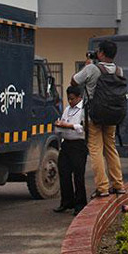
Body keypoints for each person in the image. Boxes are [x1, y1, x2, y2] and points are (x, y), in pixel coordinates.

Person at [71, 40, 125, 198]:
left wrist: (86, 66)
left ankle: (102, 187)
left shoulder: (92, 69)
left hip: (94, 116)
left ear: (101, 53)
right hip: (113, 115)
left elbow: (74, 81)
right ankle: (118, 184)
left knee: (96, 150)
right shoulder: (119, 71)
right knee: (111, 148)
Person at [53, 86, 88, 215]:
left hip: (78, 145)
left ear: (79, 97)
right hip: (66, 144)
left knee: (78, 175)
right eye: (68, 99)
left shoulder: (84, 110)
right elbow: (63, 122)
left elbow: (83, 127)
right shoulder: (67, 109)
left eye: (72, 99)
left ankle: (80, 204)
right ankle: (67, 201)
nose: (70, 101)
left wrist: (70, 126)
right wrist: (60, 125)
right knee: (63, 173)